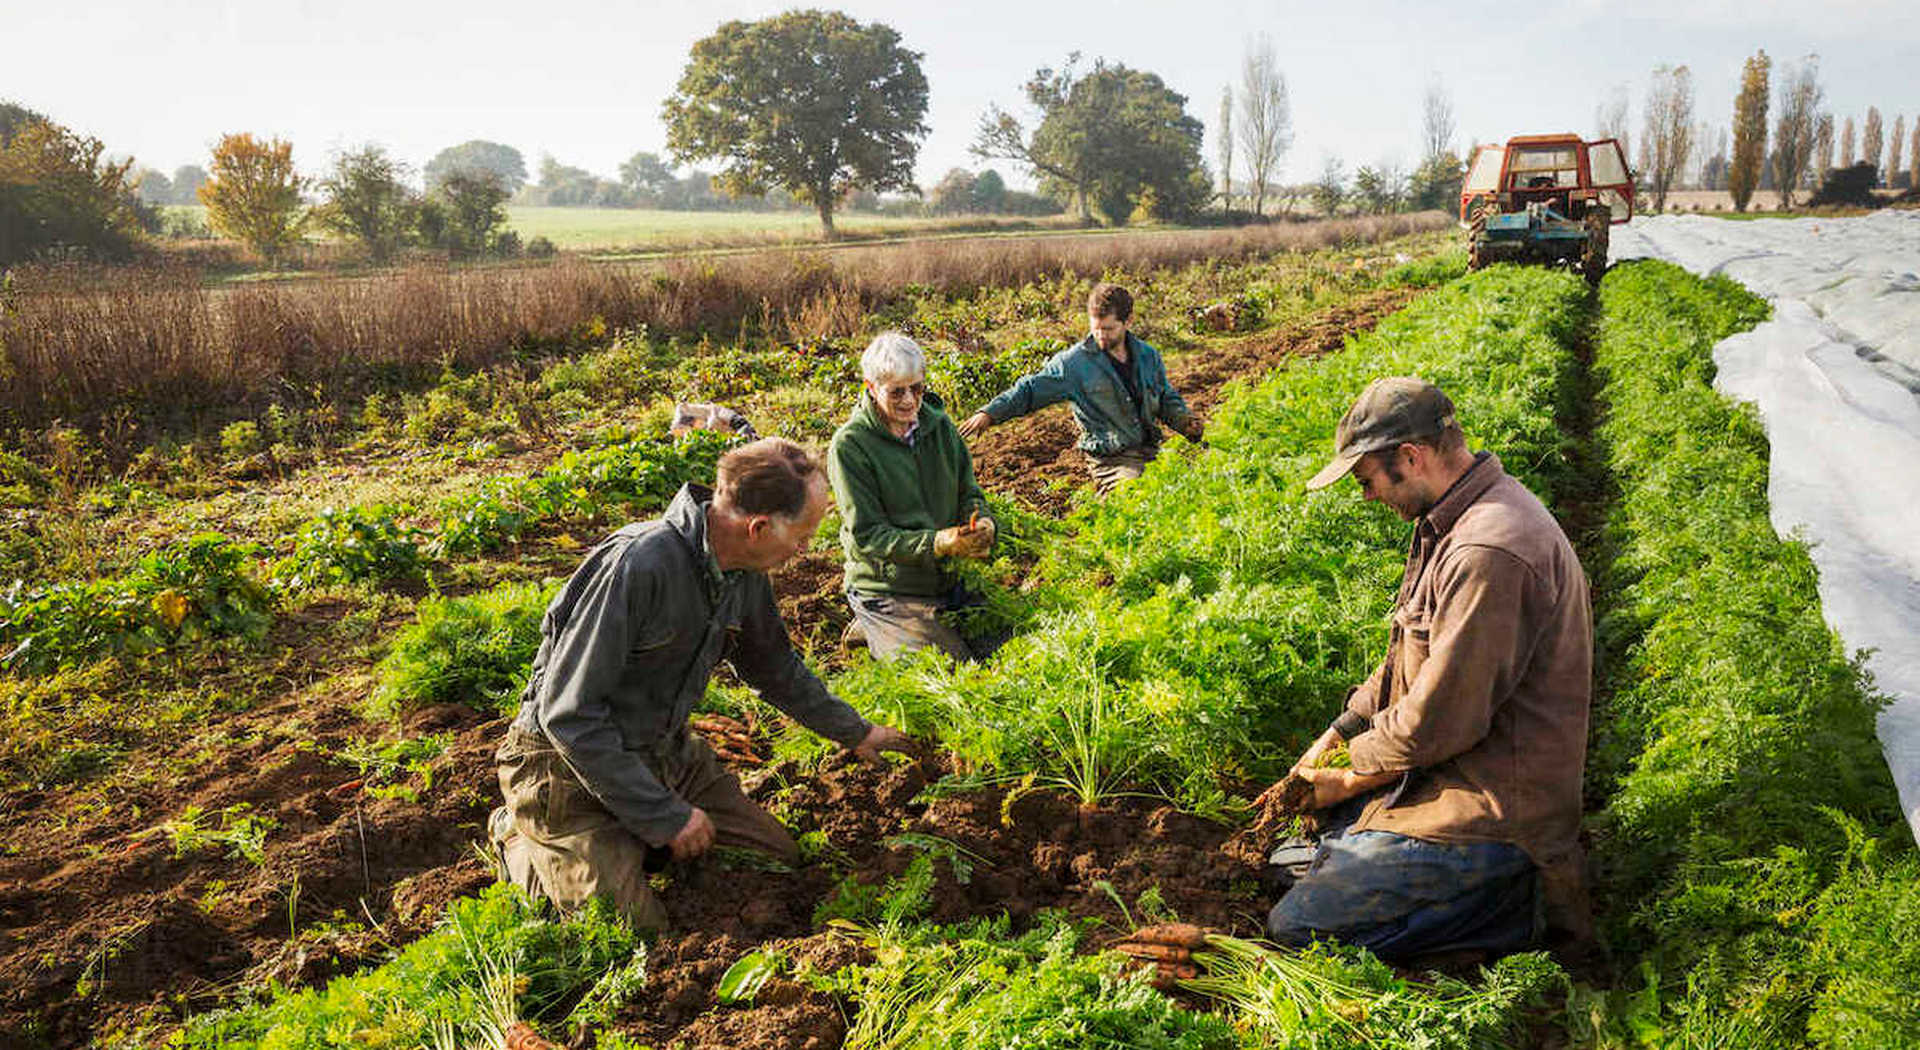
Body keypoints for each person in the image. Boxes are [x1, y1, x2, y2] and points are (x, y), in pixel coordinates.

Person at [488, 437, 914, 930]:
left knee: (777, 858)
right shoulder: (638, 566)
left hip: (663, 753)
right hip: (564, 771)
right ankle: (523, 843)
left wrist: (857, 732)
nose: (802, 551)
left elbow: (774, 667)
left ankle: (629, 841)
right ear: (757, 528)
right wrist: (665, 816)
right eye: (801, 537)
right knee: (633, 935)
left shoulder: (743, 571)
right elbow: (567, 715)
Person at [1262, 376, 1593, 963]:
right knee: (1290, 855)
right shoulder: (1444, 522)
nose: (1367, 497)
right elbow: (1400, 663)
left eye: (1366, 481)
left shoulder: (1488, 552)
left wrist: (1346, 776)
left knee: (1299, 927)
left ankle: (1516, 910)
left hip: (1492, 809)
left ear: (1409, 458)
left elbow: (1441, 721)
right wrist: (1334, 739)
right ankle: (1385, 858)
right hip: (1442, 771)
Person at [827, 332, 1003, 662]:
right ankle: (871, 625)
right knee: (946, 669)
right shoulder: (851, 446)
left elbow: (969, 493)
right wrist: (937, 543)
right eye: (896, 392)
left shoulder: (941, 427)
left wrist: (984, 522)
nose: (909, 401)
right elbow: (868, 536)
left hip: (947, 577)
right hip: (889, 588)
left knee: (1005, 650)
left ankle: (894, 630)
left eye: (917, 388)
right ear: (871, 387)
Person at [957, 283, 1203, 492]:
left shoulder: (1148, 356)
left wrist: (1184, 421)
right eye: (1095, 328)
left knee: (1187, 486)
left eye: (1108, 329)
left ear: (1128, 321)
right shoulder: (1073, 364)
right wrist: (989, 413)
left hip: (1149, 451)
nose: (1100, 336)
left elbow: (1164, 396)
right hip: (1111, 460)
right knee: (1135, 490)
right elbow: (1030, 390)